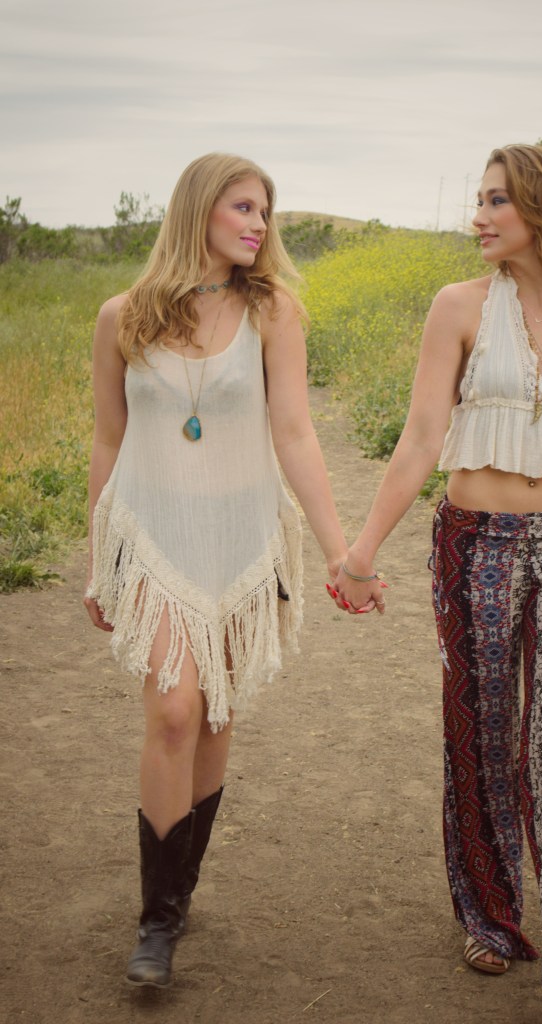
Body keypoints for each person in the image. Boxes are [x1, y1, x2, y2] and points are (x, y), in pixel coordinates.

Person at [329, 144, 542, 1012]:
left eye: (496, 201)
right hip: (476, 541)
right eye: (478, 199)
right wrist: (359, 553)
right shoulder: (458, 307)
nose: (479, 216)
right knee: (484, 732)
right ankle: (493, 918)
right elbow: (420, 438)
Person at [84, 153, 348, 988]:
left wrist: (340, 549)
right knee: (173, 710)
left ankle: (180, 890)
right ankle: (155, 922)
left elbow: (297, 434)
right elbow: (108, 438)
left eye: (266, 211)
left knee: (215, 714)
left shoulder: (274, 312)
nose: (259, 224)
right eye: (244, 207)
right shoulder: (121, 316)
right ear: (199, 209)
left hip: (240, 535)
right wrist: (102, 560)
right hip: (158, 534)